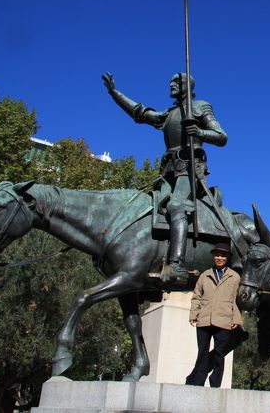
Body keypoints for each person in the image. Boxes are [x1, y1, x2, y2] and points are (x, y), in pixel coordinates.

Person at [102, 72, 227, 283]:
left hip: (189, 169)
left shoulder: (200, 107)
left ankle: (177, 265)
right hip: (168, 171)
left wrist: (200, 133)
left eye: (176, 82)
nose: (171, 84)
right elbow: (140, 113)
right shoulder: (169, 114)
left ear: (188, 85)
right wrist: (115, 93)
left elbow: (222, 136)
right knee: (146, 208)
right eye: (170, 81)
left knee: (177, 205)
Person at [186, 242, 243, 387]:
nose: (219, 258)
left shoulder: (235, 277)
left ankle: (215, 384)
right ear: (213, 257)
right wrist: (194, 314)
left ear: (227, 258)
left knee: (219, 355)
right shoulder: (205, 276)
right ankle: (198, 382)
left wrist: (236, 318)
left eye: (223, 255)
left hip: (223, 321)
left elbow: (236, 301)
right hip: (204, 320)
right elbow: (196, 296)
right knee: (202, 354)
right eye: (217, 255)